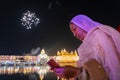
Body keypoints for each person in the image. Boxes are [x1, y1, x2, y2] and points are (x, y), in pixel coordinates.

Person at [53, 14, 120, 80]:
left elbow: (112, 69)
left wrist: (75, 72)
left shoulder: (99, 35)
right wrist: (73, 72)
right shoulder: (90, 42)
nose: (74, 34)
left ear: (83, 24)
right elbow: (96, 68)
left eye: (74, 29)